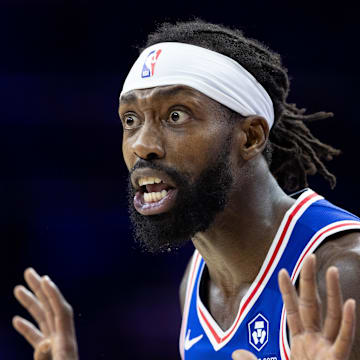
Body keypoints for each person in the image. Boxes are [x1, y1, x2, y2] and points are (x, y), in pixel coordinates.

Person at [12, 20, 360, 360]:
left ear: (251, 136)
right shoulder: (194, 283)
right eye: (131, 120)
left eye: (176, 116)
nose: (143, 145)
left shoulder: (344, 273)